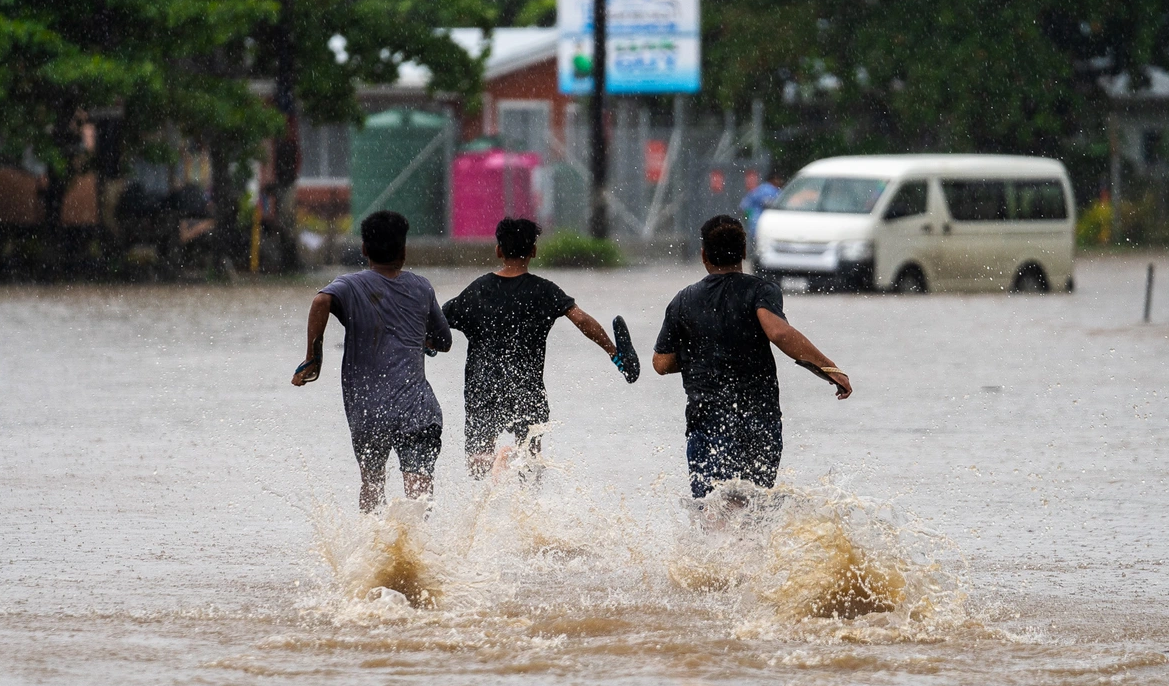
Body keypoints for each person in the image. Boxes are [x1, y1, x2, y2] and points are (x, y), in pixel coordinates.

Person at [653, 215, 852, 499]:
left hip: (707, 420)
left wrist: (701, 351)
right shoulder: (761, 290)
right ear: (745, 252)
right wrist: (829, 369)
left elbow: (661, 363)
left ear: (703, 255)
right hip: (759, 419)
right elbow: (778, 332)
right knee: (752, 509)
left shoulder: (683, 300)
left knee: (714, 509)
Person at [442, 217, 635, 479]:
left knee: (479, 468)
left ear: (498, 250)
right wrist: (615, 353)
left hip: (482, 389)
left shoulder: (476, 291)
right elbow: (582, 321)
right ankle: (514, 463)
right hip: (527, 389)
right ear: (534, 251)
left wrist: (427, 347)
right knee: (530, 468)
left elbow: (436, 326)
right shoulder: (545, 291)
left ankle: (497, 470)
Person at [291, 210, 452, 513]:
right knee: (419, 491)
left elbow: (320, 301)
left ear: (364, 249)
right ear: (404, 250)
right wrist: (422, 340)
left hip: (369, 410)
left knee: (372, 484)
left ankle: (374, 550)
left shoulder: (349, 286)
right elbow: (443, 342)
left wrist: (313, 358)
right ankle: (416, 551)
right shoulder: (421, 287)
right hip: (416, 408)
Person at [739, 171, 786, 248]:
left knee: (757, 244)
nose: (780, 182)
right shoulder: (769, 189)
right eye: (778, 179)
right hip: (763, 221)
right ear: (773, 179)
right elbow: (769, 203)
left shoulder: (760, 188)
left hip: (755, 221)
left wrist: (748, 217)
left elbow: (744, 205)